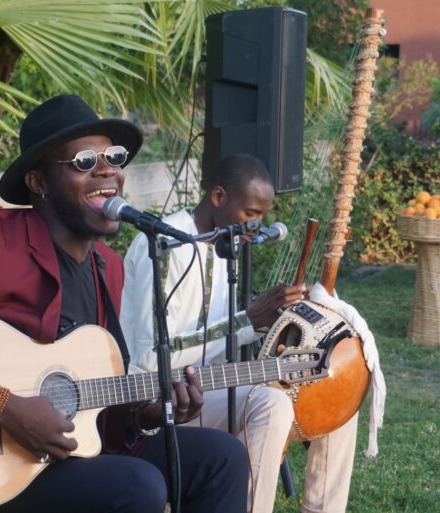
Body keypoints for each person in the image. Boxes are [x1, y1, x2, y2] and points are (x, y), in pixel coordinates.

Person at [0, 95, 249, 513]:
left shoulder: (107, 266)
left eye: (113, 157)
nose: (107, 170)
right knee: (137, 483)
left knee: (221, 457)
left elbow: (95, 414)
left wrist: (144, 416)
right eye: (83, 161)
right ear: (38, 183)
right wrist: (3, 407)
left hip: (68, 457)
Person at [120, 154, 359, 513]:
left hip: (209, 386)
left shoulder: (223, 244)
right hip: (158, 400)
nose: (255, 226)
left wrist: (278, 316)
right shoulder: (163, 246)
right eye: (250, 213)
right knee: (271, 404)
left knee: (334, 380)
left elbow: (223, 331)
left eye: (261, 216)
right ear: (218, 196)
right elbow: (151, 358)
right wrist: (247, 320)